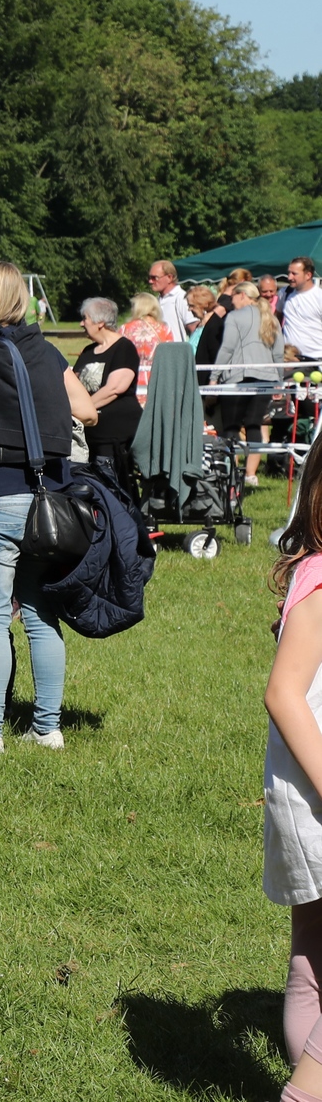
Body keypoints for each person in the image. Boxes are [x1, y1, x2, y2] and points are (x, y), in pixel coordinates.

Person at [0, 259, 98, 759]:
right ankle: (47, 728)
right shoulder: (47, 353)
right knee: (39, 614)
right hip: (49, 502)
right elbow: (86, 410)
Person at [262, 456, 322, 1102]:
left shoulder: (311, 569)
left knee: (312, 952)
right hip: (317, 790)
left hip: (299, 791)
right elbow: (283, 692)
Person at [74, 296, 144, 506]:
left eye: (85, 318)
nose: (81, 323)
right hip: (87, 429)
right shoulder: (88, 352)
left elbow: (115, 388)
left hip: (114, 432)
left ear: (100, 322)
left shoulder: (124, 348)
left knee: (111, 481)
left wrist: (83, 408)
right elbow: (74, 385)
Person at [216, 280, 281, 487]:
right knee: (255, 424)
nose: (231, 301)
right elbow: (278, 353)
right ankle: (251, 474)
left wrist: (214, 375)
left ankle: (231, 472)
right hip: (267, 378)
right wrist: (279, 380)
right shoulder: (270, 317)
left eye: (233, 296)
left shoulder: (234, 317)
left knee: (231, 425)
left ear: (242, 295)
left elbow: (227, 348)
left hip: (238, 377)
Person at [121, 291, 171, 405]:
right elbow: (169, 357)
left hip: (130, 377)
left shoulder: (125, 329)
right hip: (157, 378)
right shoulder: (164, 329)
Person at [148, 260, 194, 344]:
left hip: (177, 351)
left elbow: (194, 329)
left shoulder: (182, 298)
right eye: (150, 278)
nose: (150, 281)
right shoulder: (156, 301)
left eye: (154, 278)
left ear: (169, 277)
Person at [289, 257, 322, 364]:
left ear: (308, 275)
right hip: (291, 359)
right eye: (289, 273)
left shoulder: (319, 296)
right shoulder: (284, 293)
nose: (289, 277)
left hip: (316, 359)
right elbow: (277, 317)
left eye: (294, 274)